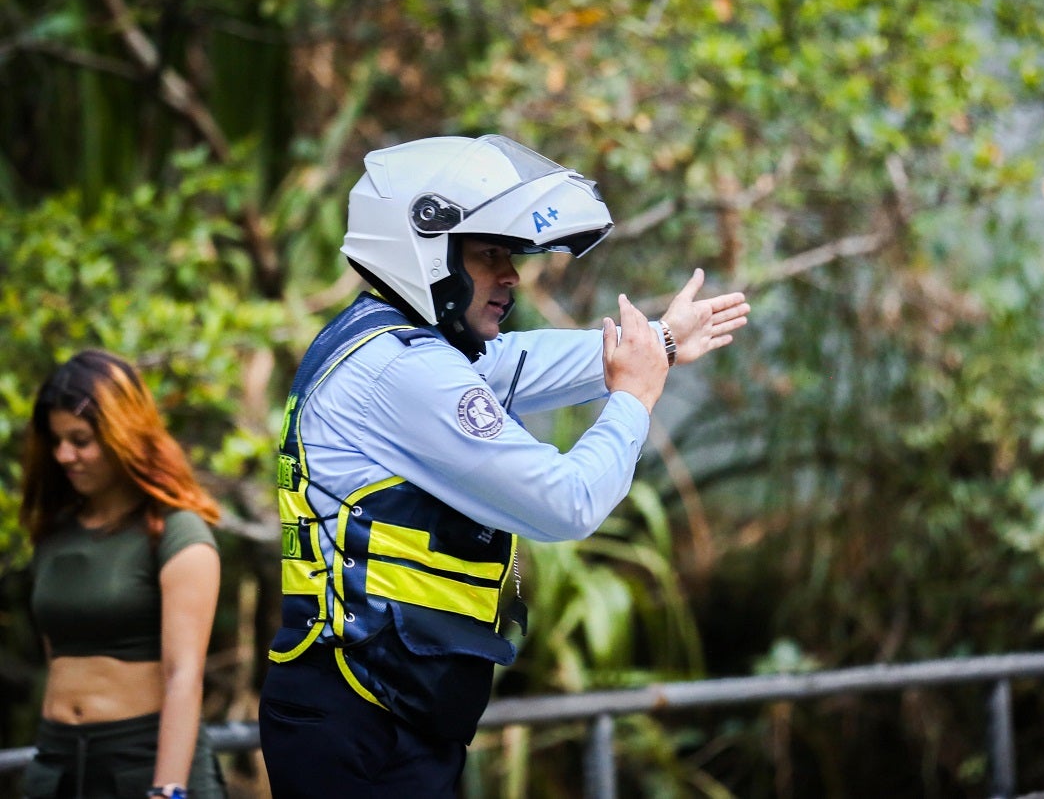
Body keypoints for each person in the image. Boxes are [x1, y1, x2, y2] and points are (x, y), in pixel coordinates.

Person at [257, 134, 750, 795]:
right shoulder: (406, 372)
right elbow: (564, 502)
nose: (512, 275)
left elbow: (525, 363)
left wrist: (656, 342)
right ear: (425, 249)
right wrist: (635, 398)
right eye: (491, 253)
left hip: (385, 706)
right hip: (361, 717)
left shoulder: (393, 344)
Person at [18, 350, 226, 799]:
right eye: (56, 441)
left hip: (144, 759)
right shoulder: (55, 533)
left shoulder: (176, 532)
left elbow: (184, 676)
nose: (65, 455)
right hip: (57, 764)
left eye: (81, 439)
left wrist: (168, 789)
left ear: (121, 435)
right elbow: (58, 656)